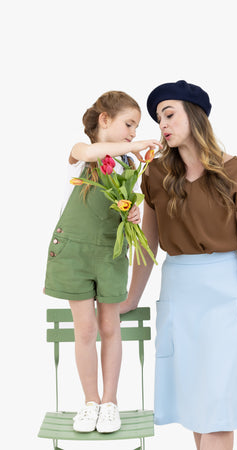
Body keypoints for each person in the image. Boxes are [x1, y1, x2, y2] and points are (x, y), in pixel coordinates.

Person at [120, 80, 237, 450]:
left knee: (218, 409)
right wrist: (131, 298)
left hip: (223, 294)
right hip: (180, 293)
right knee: (196, 407)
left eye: (169, 114)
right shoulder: (156, 175)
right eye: (158, 119)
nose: (162, 125)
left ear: (195, 116)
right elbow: (148, 247)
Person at [44, 90, 162, 434]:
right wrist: (135, 146)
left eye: (136, 127)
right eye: (128, 124)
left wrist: (131, 212)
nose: (132, 133)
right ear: (104, 120)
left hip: (110, 255)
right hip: (73, 254)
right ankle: (90, 402)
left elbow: (121, 204)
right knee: (85, 331)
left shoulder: (126, 165)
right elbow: (95, 151)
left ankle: (110, 403)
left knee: (110, 328)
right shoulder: (81, 154)